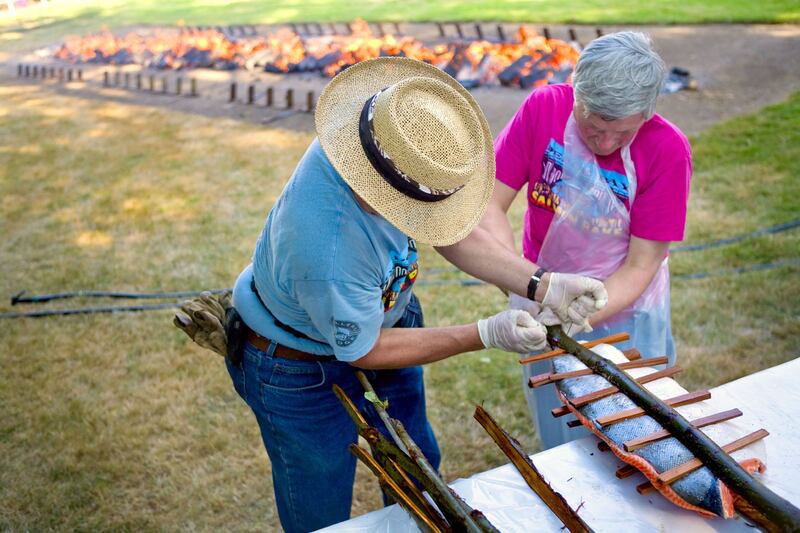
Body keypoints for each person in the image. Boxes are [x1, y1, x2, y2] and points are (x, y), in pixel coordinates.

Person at [214, 57, 608, 532]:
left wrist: (542, 284)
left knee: (416, 465)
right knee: (320, 502)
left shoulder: (385, 140)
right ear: (383, 194)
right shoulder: (328, 246)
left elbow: (447, 229)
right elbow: (364, 349)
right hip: (296, 364)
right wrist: (485, 333)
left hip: (385, 317)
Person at [450, 31, 693, 449]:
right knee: (563, 437)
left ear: (646, 115)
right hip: (538, 287)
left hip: (624, 313)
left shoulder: (667, 149)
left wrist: (575, 314)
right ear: (575, 93)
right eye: (594, 128)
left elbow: (641, 266)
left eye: (623, 134)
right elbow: (487, 203)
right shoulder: (544, 108)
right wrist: (518, 279)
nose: (605, 143)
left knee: (636, 439)